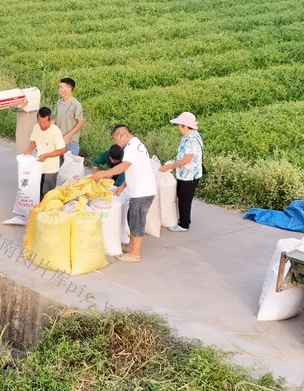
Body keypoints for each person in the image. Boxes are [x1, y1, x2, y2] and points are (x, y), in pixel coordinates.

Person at [92, 124, 156, 262]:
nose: (116, 143)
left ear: (124, 136)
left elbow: (124, 166)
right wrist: (123, 185)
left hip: (142, 191)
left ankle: (135, 254)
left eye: (116, 140)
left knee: (137, 220)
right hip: (137, 189)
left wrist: (103, 174)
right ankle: (131, 245)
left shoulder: (132, 147)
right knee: (131, 217)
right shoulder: (135, 145)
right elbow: (136, 169)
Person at [159, 112, 203, 233]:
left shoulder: (191, 140)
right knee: (181, 196)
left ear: (184, 126)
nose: (178, 128)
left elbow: (187, 159)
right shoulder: (189, 136)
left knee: (184, 199)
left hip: (190, 175)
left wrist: (171, 166)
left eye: (179, 125)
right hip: (185, 173)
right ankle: (184, 220)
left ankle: (184, 224)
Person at [23, 106, 66, 199]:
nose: (42, 125)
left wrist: (46, 155)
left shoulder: (55, 131)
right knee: (38, 189)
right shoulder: (36, 127)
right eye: (40, 122)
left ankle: (46, 210)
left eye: (44, 122)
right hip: (39, 164)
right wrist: (28, 151)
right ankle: (38, 208)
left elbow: (62, 150)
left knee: (48, 192)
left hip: (51, 167)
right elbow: (34, 141)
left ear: (49, 120)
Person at [55, 77, 84, 157]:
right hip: (59, 142)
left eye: (61, 87)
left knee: (70, 168)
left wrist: (68, 136)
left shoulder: (76, 104)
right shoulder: (59, 102)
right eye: (59, 87)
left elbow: (80, 122)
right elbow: (56, 119)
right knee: (58, 167)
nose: (59, 89)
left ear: (69, 88)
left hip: (71, 144)